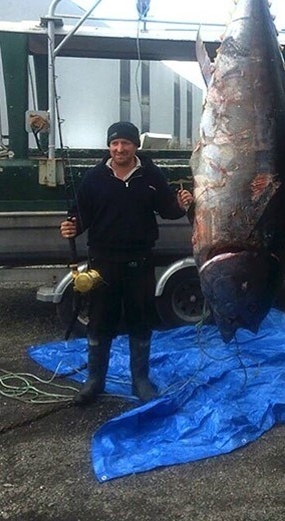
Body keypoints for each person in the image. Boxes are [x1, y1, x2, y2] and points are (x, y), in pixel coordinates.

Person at [60, 121, 193, 406]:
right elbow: (79, 216)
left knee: (140, 321)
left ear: (136, 146)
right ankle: (95, 380)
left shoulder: (150, 175)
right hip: (102, 262)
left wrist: (181, 205)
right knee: (100, 322)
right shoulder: (94, 178)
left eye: (126, 143)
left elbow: (167, 210)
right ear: (109, 146)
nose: (119, 149)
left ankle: (140, 380)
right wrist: (72, 227)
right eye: (114, 143)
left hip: (140, 261)